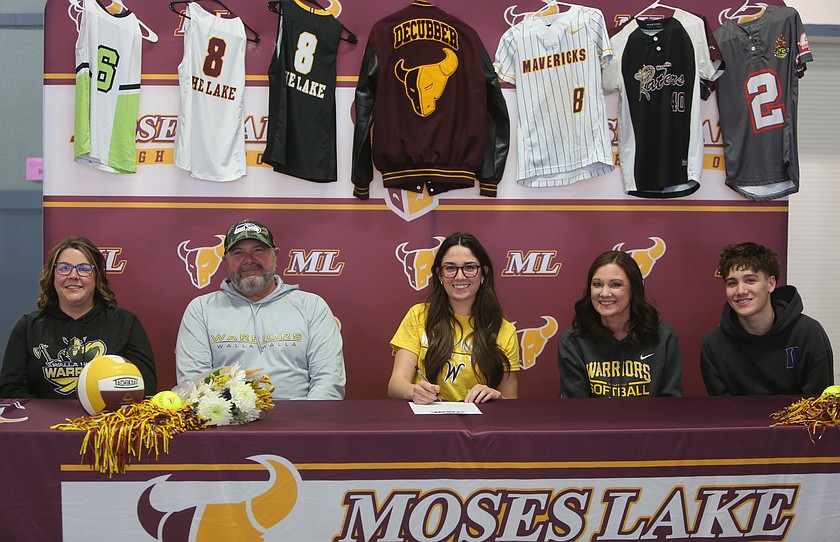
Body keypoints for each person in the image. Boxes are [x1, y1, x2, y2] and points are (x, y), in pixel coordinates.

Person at [176, 219, 345, 400]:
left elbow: (328, 379)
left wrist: (308, 423)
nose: (249, 260)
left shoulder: (311, 306)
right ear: (225, 260)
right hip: (227, 423)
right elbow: (193, 384)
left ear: (275, 255)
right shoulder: (201, 310)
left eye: (258, 250)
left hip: (302, 421)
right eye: (238, 253)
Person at [0, 236, 157, 398]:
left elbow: (146, 387)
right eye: (64, 268)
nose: (73, 275)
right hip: (43, 423)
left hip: (106, 422)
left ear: (97, 277)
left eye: (83, 269)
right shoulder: (28, 327)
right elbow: (11, 390)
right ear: (52, 275)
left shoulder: (126, 324)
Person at [388, 232, 519, 404]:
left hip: (481, 427)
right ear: (440, 275)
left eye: (469, 267)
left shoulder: (505, 330)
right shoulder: (418, 315)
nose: (459, 276)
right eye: (450, 268)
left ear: (483, 274)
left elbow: (511, 401)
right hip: (426, 423)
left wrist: (496, 396)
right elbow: (396, 384)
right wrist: (414, 391)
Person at [701, 242, 834, 396]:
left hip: (796, 421)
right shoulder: (713, 344)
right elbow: (723, 409)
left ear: (771, 284)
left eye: (750, 280)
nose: (740, 290)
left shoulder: (808, 333)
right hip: (738, 421)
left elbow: (817, 409)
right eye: (732, 283)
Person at [558, 250, 683, 398]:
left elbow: (672, 407)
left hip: (650, 421)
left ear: (633, 290)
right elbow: (575, 410)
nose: (604, 293)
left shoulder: (664, 338)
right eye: (597, 284)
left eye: (615, 285)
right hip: (593, 421)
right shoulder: (573, 341)